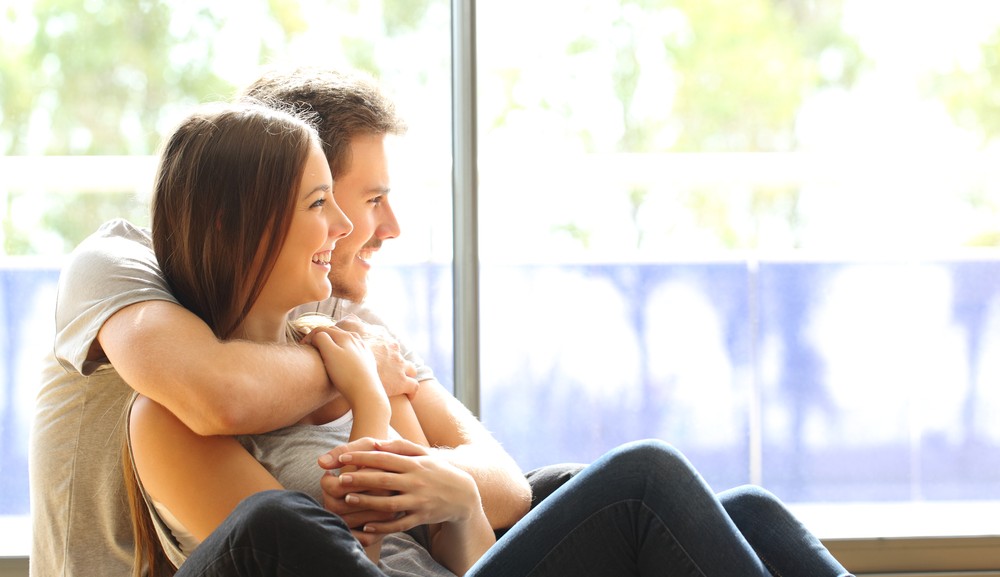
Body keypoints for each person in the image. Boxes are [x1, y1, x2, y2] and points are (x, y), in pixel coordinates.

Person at [128, 99, 852, 577]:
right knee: (646, 479)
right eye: (321, 205)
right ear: (235, 228)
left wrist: (461, 500)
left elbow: (455, 539)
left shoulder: (345, 347)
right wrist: (369, 399)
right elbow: (333, 557)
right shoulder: (169, 422)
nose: (345, 230)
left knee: (750, 508)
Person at [30, 68, 531, 577]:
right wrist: (360, 382)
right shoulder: (119, 266)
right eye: (364, 200)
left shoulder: (347, 328)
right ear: (255, 209)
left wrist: (458, 495)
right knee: (275, 521)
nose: (370, 227)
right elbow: (219, 398)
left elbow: (501, 496)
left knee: (589, 482)